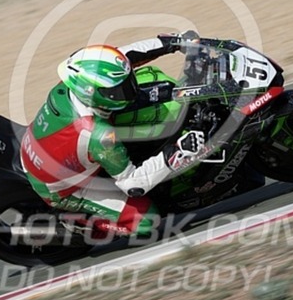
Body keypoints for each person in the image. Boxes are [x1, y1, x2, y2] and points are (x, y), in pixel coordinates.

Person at [20, 32, 205, 238]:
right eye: (119, 90)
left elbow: (127, 55)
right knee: (146, 222)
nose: (130, 89)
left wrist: (174, 42)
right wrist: (178, 152)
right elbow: (133, 184)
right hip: (64, 186)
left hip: (46, 148)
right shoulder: (97, 134)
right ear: (92, 92)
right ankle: (78, 223)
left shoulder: (78, 80)